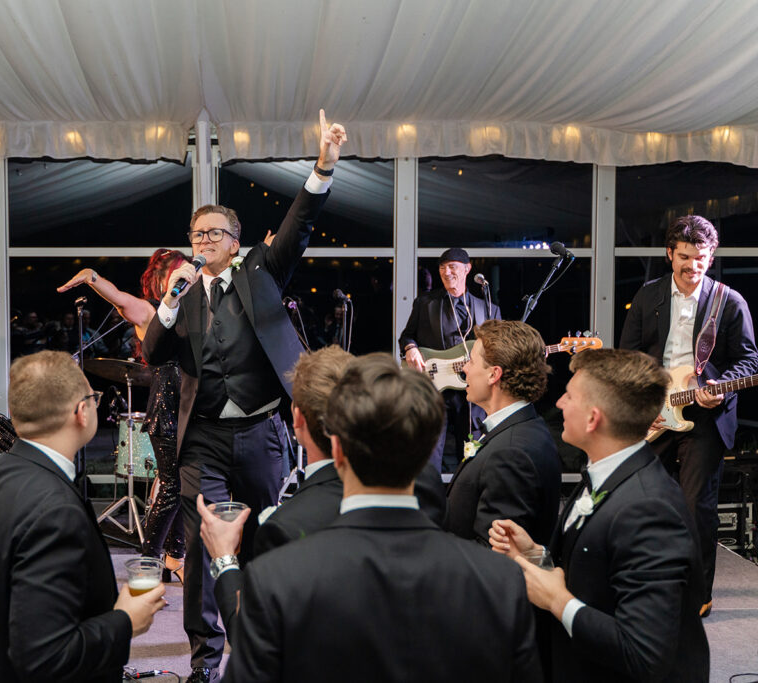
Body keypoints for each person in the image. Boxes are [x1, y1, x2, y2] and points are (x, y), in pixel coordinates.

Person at [141, 110, 347, 682]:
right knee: (202, 547)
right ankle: (204, 664)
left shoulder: (261, 270)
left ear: (235, 241)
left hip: (260, 431)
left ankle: (264, 647)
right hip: (202, 438)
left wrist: (322, 167)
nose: (204, 241)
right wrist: (168, 301)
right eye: (197, 235)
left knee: (264, 538)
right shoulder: (181, 292)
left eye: (215, 234)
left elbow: (299, 224)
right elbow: (152, 352)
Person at [220, 353, 540, 682]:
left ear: (338, 450)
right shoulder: (501, 581)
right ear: (426, 452)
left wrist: (225, 561)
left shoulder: (277, 577)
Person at [0, 351, 165, 682]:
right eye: (94, 398)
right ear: (81, 412)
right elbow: (44, 655)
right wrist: (125, 622)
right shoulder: (55, 511)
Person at [198, 345, 448, 644]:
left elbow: (254, 640)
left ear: (298, 419)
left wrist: (224, 559)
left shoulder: (284, 529)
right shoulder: (426, 483)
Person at [490, 348, 709, 682]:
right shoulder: (604, 472)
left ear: (593, 419)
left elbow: (644, 654)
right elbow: (599, 575)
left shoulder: (650, 510)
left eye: (569, 396)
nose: (559, 403)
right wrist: (538, 556)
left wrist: (557, 601)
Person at [619, 215, 758, 617]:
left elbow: (749, 361)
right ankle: (646, 584)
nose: (692, 266)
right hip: (654, 414)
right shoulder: (648, 296)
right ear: (670, 254)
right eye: (684, 257)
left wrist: (721, 386)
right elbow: (629, 357)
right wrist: (644, 404)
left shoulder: (729, 302)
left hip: (705, 417)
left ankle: (697, 596)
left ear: (711, 256)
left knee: (697, 507)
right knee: (643, 501)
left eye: (700, 258)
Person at [57, 248, 190, 580]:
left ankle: (175, 556)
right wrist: (92, 277)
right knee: (171, 487)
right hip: (166, 407)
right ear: (164, 278)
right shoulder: (149, 311)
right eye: (180, 271)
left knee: (181, 486)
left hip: (189, 406)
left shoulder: (192, 313)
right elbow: (119, 298)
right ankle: (148, 562)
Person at [444, 319, 560, 545]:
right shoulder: (519, 429)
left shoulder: (511, 453)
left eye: (471, 361)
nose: (465, 369)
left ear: (493, 374)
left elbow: (493, 554)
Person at [398, 247, 500, 472]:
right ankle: (428, 492)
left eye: (452, 267)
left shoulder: (488, 309)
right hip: (435, 389)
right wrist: (411, 348)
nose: (446, 272)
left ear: (467, 269)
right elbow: (407, 336)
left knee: (471, 456)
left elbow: (500, 351)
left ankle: (467, 490)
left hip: (471, 394)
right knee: (429, 453)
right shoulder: (425, 303)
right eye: (442, 268)